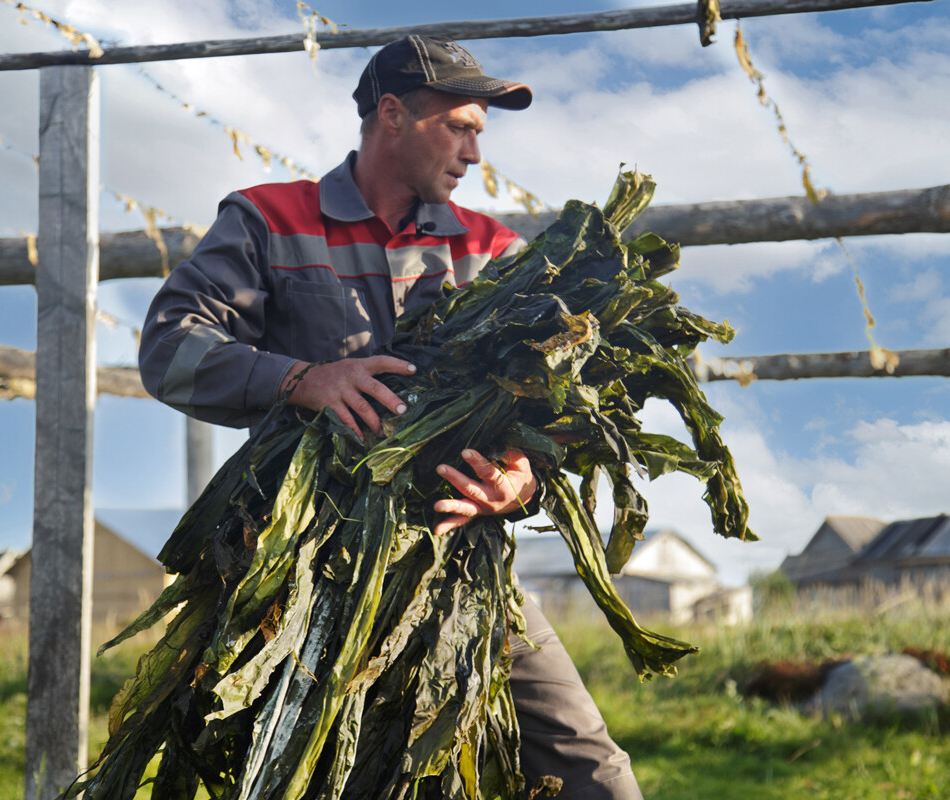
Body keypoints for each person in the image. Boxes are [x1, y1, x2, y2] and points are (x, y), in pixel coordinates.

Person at [138, 35, 643, 800]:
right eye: (461, 126)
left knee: (589, 770)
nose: (476, 151)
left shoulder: (495, 250)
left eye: (481, 130)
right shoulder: (268, 220)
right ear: (393, 114)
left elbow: (560, 400)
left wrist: (523, 474)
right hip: (306, 571)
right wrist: (302, 378)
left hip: (461, 558)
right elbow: (170, 347)